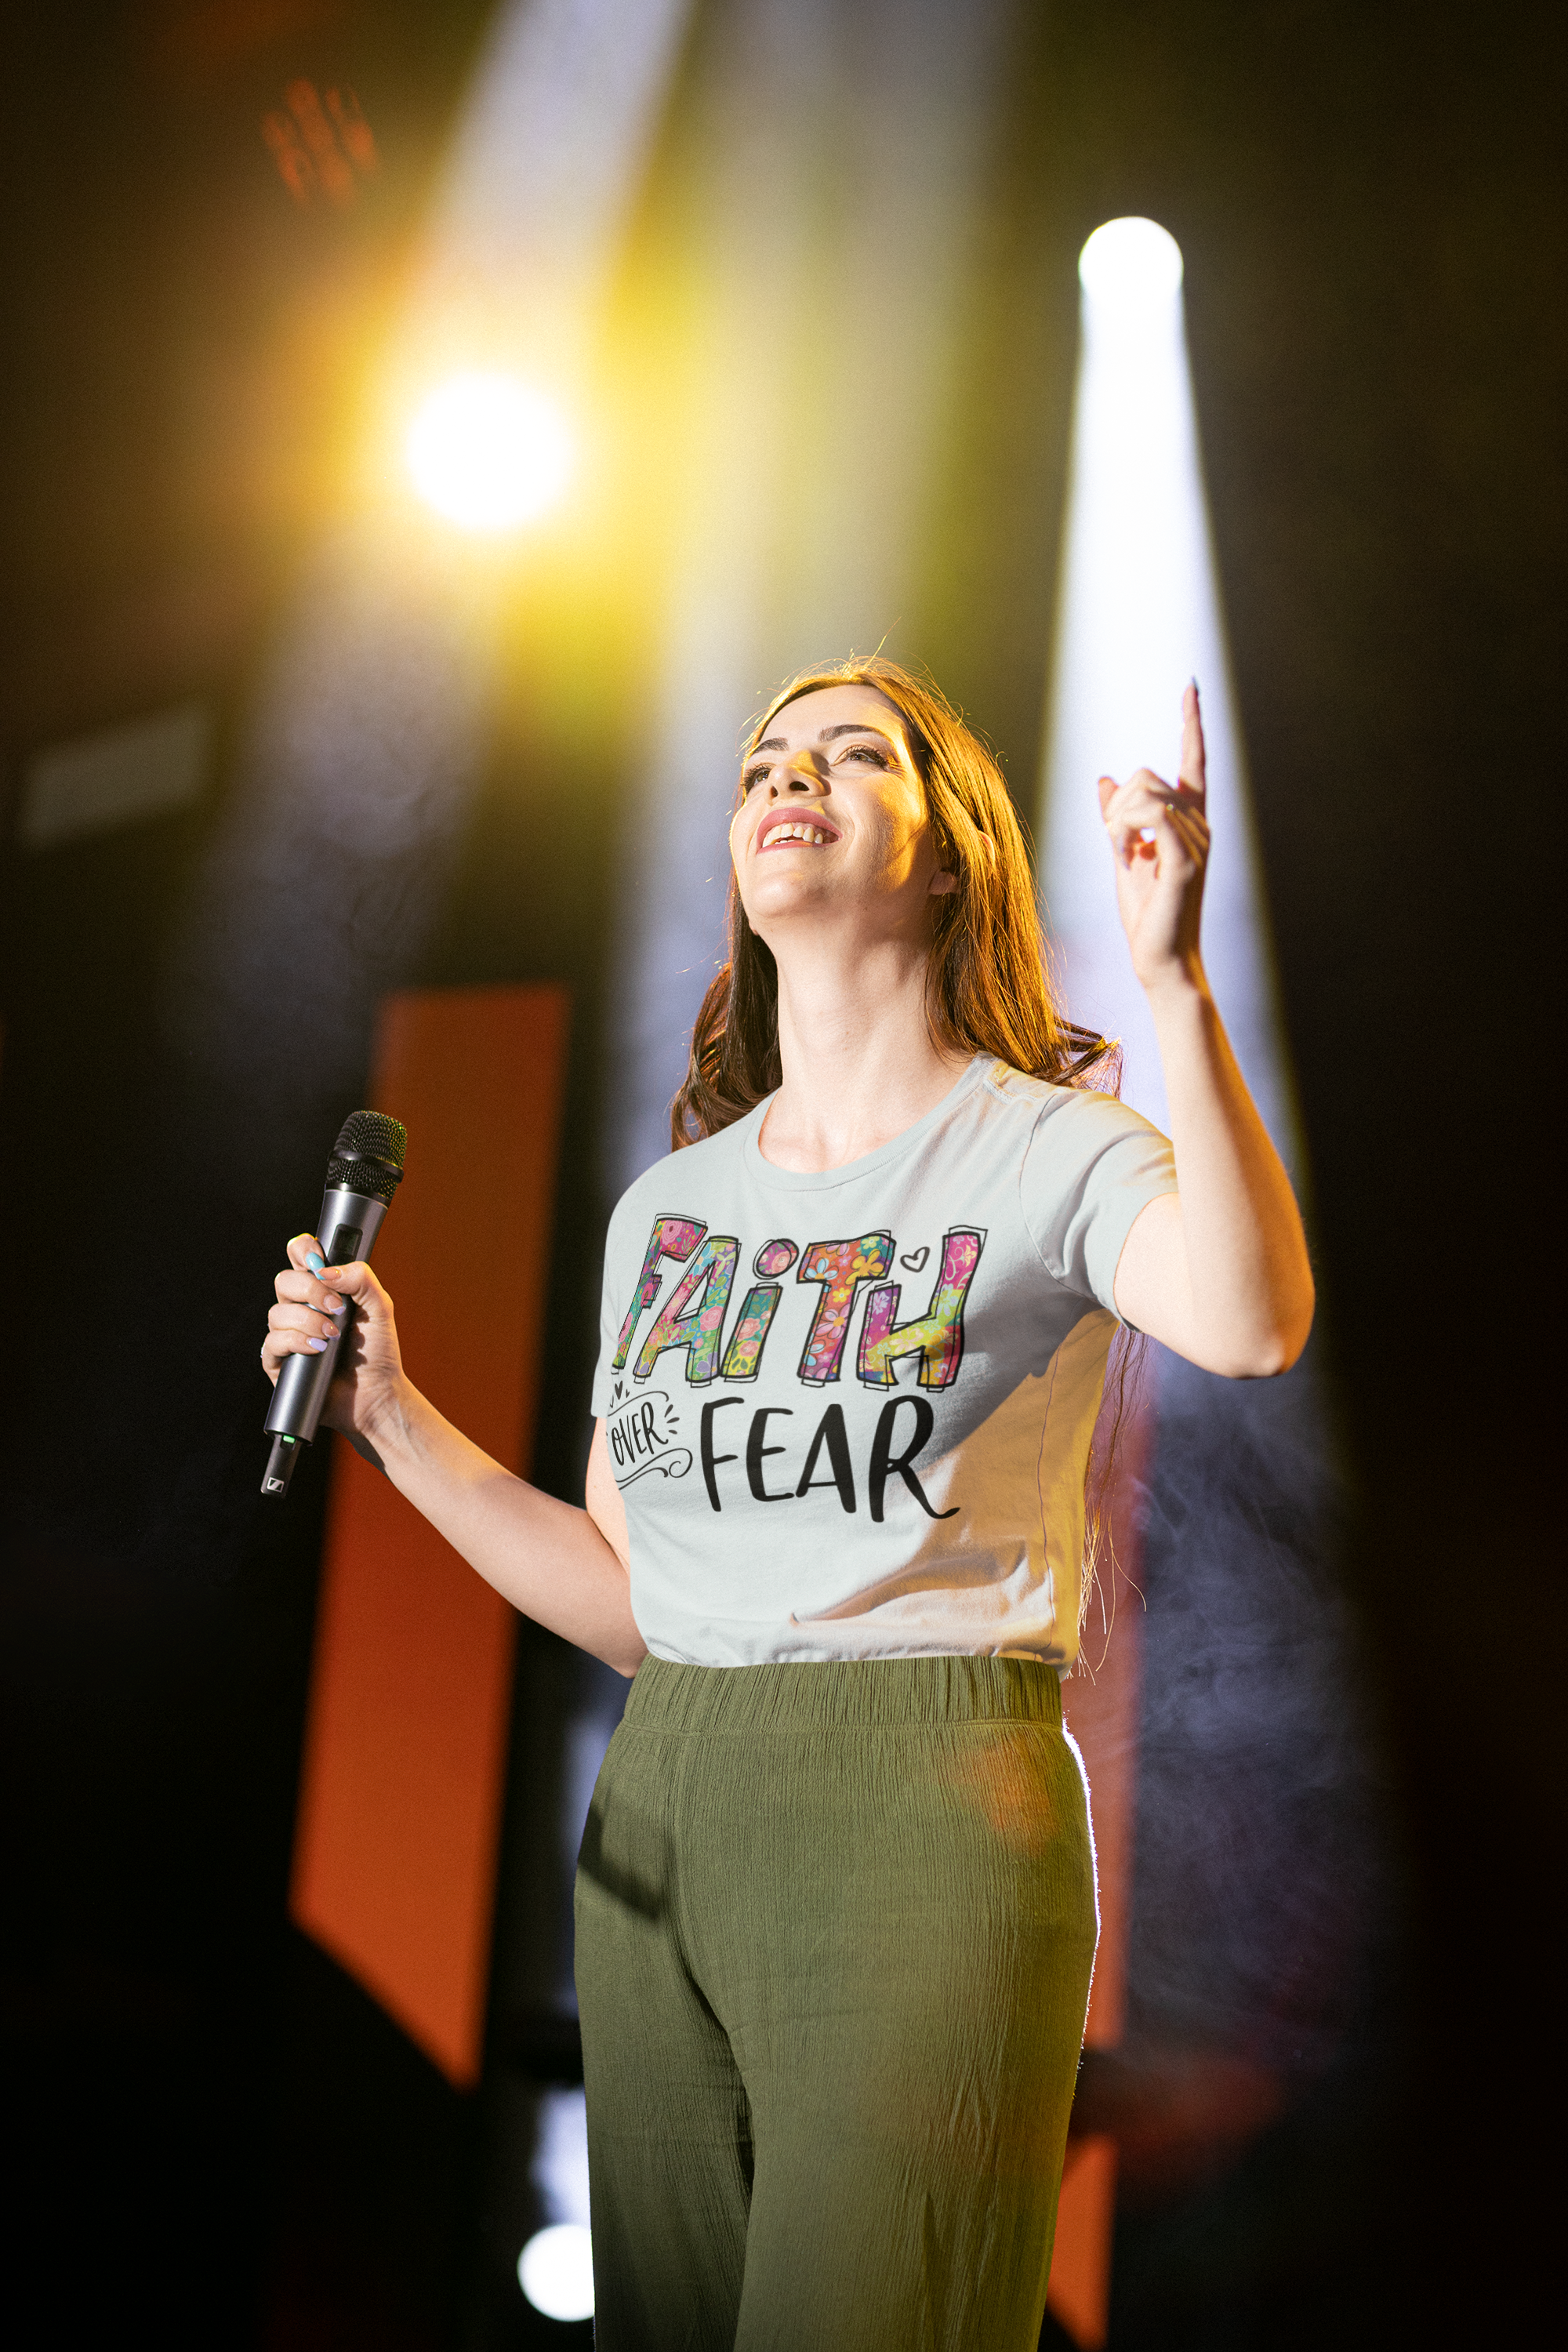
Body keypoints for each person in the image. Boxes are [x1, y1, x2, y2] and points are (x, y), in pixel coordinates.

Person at [262, 657, 1312, 2350]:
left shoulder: (1048, 1147)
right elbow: (636, 1605)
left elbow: (1251, 1324)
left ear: (951, 854)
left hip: (925, 1797)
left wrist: (1176, 981)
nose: (788, 778)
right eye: (763, 762)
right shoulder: (670, 1211)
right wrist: (390, 1417)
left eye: (850, 753)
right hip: (664, 1810)